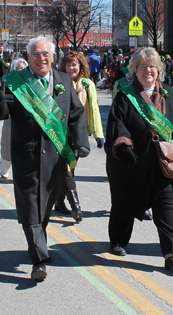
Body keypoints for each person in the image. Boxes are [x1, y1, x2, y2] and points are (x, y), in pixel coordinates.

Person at [0, 37, 90, 281]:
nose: (41, 58)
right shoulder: (15, 82)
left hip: (55, 158)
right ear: (29, 57)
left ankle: (36, 243)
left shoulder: (64, 80)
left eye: (45, 53)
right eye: (36, 54)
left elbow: (75, 114)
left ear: (53, 57)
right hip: (27, 155)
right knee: (30, 207)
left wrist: (81, 143)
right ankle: (39, 260)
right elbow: (0, 114)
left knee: (44, 208)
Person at [105, 47, 173, 272]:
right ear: (134, 70)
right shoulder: (125, 95)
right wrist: (123, 145)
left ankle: (171, 254)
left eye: (152, 66)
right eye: (143, 66)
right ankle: (118, 240)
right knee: (124, 205)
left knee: (167, 210)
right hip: (131, 164)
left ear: (159, 70)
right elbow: (118, 124)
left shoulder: (170, 94)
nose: (148, 70)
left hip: (163, 167)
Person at [55, 51, 105, 221]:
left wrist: (99, 133)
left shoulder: (87, 84)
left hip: (79, 134)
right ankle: (76, 206)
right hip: (61, 133)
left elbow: (94, 109)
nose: (71, 68)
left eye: (74, 64)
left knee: (69, 168)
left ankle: (59, 201)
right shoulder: (58, 82)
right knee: (68, 169)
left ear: (81, 66)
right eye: (68, 65)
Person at [0, 57, 28, 179]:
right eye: (18, 68)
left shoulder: (31, 82)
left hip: (27, 119)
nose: (21, 70)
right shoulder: (8, 81)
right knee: (8, 143)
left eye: (23, 68)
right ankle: (4, 165)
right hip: (11, 117)